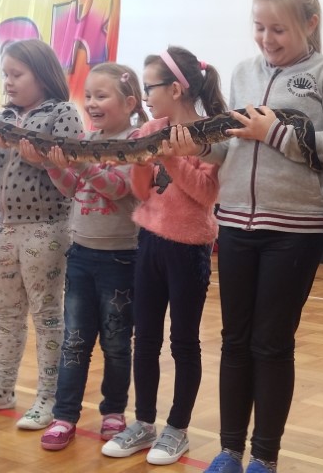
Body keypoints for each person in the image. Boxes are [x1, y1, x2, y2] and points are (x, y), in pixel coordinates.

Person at [172, 0, 323, 473]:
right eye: (259, 27)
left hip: (295, 230)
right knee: (234, 340)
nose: (266, 39)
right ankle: (230, 451)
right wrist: (198, 146)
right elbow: (232, 147)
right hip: (236, 224)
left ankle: (265, 457)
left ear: (310, 23)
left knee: (271, 344)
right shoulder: (242, 72)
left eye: (278, 29)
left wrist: (275, 133)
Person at [100, 47, 226, 464]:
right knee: (146, 339)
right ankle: (143, 423)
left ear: (174, 89)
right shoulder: (151, 129)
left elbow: (205, 194)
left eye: (150, 87)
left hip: (189, 248)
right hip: (150, 242)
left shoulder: (209, 135)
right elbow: (142, 192)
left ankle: (177, 429)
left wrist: (170, 156)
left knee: (184, 341)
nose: (145, 96)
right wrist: (142, 160)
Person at [0, 39, 83, 430]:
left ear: (41, 75)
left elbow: (73, 177)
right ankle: (2, 388)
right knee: (8, 313)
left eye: (17, 74)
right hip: (3, 228)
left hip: (46, 228)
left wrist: (41, 159)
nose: (8, 82)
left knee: (47, 314)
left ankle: (49, 397)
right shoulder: (2, 116)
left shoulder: (62, 113)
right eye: (5, 74)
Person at [34, 63, 148, 452]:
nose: (92, 103)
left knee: (116, 344)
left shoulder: (135, 143)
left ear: (129, 103)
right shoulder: (88, 139)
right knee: (75, 342)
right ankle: (64, 415)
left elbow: (118, 188)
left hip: (121, 260)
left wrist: (81, 161)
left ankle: (113, 411)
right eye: (88, 96)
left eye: (102, 95)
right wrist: (52, 163)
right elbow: (72, 187)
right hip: (81, 256)